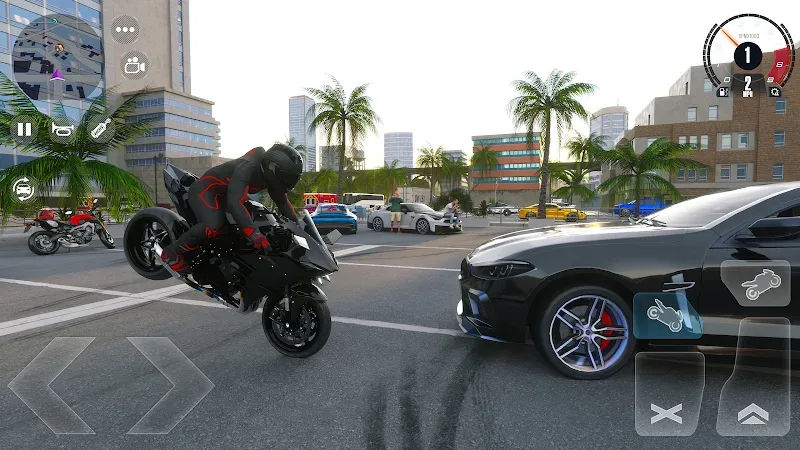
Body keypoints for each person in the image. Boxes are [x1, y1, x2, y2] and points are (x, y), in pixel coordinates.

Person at [160, 143, 304, 276]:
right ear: (274, 169)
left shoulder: (272, 179)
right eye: (287, 177)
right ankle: (172, 253)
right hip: (207, 190)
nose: (290, 182)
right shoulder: (248, 168)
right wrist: (254, 234)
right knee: (214, 227)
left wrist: (300, 228)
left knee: (255, 216)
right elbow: (235, 202)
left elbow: (283, 204)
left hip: (227, 194)